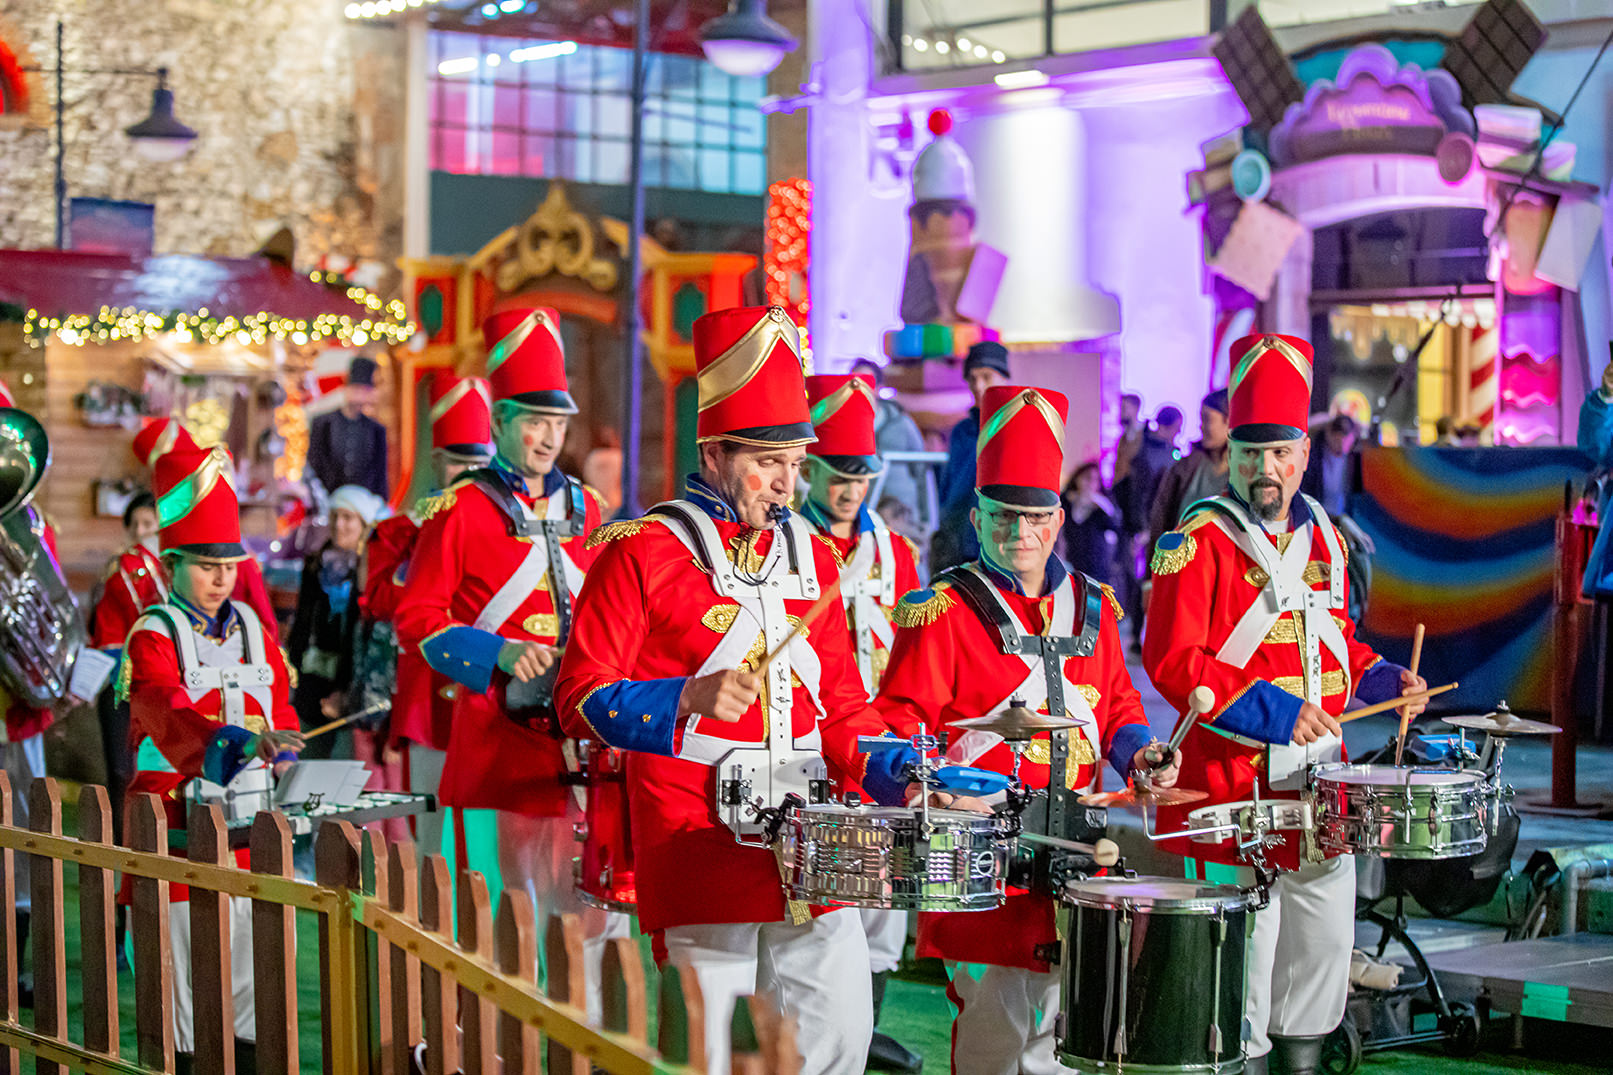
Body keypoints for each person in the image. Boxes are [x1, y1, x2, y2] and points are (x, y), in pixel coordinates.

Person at [555, 305, 908, 1075]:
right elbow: (578, 695)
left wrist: (898, 770)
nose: (786, 482)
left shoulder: (814, 553)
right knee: (707, 1052)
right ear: (714, 452)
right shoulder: (640, 551)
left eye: (794, 462)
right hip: (698, 836)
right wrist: (683, 696)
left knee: (838, 1039)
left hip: (814, 844)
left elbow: (845, 706)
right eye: (766, 460)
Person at [1143, 334, 1428, 1075]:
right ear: (1226, 455)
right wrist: (1271, 711)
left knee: (1322, 953)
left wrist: (1383, 680)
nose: (1261, 470)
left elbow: (1339, 648)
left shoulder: (1326, 538)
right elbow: (1172, 660)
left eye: (1276, 453)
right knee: (1239, 975)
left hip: (1317, 790)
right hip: (1231, 790)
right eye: (1247, 453)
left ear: (1303, 452)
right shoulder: (1195, 539)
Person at [876, 383, 1169, 1075]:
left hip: (1077, 849)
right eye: (1001, 516)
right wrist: (939, 787)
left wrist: (1141, 754)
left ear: (1056, 519)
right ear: (975, 519)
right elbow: (897, 722)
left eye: (1033, 516)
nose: (1018, 532)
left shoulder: (1092, 606)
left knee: (1065, 1041)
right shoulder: (941, 609)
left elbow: (1120, 707)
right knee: (993, 1035)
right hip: (984, 861)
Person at [394, 306, 627, 1020]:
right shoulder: (458, 510)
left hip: (582, 746)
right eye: (532, 420)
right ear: (499, 421)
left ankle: (579, 1047)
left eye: (556, 422)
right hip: (498, 747)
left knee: (586, 917)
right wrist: (497, 652)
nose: (547, 436)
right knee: (502, 924)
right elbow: (417, 620)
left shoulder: (591, 508)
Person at [119, 443, 303, 1072]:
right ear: (172, 562)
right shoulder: (153, 632)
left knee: (252, 967)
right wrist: (239, 743)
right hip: (174, 825)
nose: (221, 577)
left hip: (253, 826)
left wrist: (287, 748)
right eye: (204, 564)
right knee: (184, 975)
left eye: (228, 564)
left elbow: (279, 705)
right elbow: (166, 715)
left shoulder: (254, 622)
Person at [798, 372, 924, 1074]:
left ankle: (868, 1023)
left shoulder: (897, 553)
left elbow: (912, 648)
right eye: (836, 474)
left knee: (885, 895)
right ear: (809, 469)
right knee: (825, 889)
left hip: (885, 736)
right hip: (817, 739)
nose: (850, 489)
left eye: (860, 475)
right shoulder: (791, 544)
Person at [361, 372, 493, 861]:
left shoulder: (503, 534)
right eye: (459, 463)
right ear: (436, 463)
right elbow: (377, 600)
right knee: (431, 828)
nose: (468, 476)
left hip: (488, 690)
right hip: (429, 690)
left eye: (479, 465)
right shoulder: (399, 533)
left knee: (489, 834)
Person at [125, 417, 282, 642]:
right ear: (171, 567)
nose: (221, 579)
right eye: (208, 567)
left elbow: (267, 634)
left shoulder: (242, 564)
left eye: (228, 568)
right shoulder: (133, 565)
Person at [287, 484, 384, 759]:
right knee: (307, 757)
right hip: (312, 676)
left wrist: (347, 688)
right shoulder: (317, 563)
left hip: (352, 683)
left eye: (348, 517)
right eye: (334, 517)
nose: (339, 525)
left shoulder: (371, 569)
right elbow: (302, 622)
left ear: (364, 523)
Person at [932, 341, 1011, 572]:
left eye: (986, 376)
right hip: (957, 544)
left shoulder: (1015, 429)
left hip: (999, 547)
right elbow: (948, 489)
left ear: (1004, 378)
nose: (978, 385)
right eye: (972, 378)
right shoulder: (961, 432)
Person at [1149, 388, 1230, 547]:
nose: (1201, 426)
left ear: (1229, 421)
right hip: (1180, 565)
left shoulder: (1246, 472)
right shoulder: (1185, 467)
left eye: (1207, 419)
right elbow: (1161, 520)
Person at [850, 358, 927, 524]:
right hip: (861, 517)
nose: (859, 389)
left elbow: (921, 470)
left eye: (866, 383)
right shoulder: (845, 428)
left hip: (901, 518)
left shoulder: (901, 423)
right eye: (854, 383)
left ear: (878, 388)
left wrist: (925, 520)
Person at [308, 354, 389, 499]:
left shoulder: (376, 430)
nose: (360, 396)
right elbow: (314, 465)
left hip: (363, 503)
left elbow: (380, 474)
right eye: (356, 389)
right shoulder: (323, 424)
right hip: (328, 499)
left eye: (364, 391)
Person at [1059, 461, 1117, 584]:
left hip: (1096, 572)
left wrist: (1101, 502)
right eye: (1087, 478)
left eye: (1095, 480)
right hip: (1071, 568)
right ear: (1077, 478)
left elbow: (1115, 527)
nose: (1090, 483)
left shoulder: (1100, 509)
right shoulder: (1066, 502)